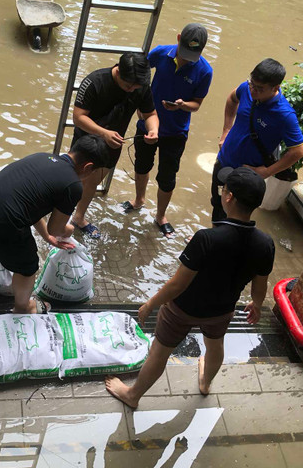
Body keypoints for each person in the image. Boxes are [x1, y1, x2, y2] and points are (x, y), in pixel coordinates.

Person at [105, 166, 274, 407]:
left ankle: (133, 396)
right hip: (222, 310)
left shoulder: (206, 238)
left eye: (224, 189)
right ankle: (205, 382)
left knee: (160, 351)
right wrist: (256, 304)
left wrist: (150, 304)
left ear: (229, 197)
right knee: (215, 346)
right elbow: (260, 284)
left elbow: (177, 285)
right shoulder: (265, 244)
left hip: (181, 310)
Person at [0, 135, 110, 314]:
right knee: (28, 267)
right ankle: (22, 307)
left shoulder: (42, 157)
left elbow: (28, 206)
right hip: (6, 222)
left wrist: (46, 237)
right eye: (94, 172)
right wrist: (68, 229)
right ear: (88, 167)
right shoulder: (73, 185)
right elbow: (56, 229)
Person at [121, 23, 213, 238]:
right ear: (178, 38)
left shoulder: (205, 71)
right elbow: (139, 76)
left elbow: (197, 104)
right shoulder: (161, 53)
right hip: (147, 123)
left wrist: (182, 105)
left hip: (176, 132)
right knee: (142, 165)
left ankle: (160, 215)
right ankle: (139, 200)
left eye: (192, 56)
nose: (187, 59)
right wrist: (140, 105)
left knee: (167, 176)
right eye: (184, 53)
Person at [70, 52, 159, 239]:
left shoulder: (140, 86)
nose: (131, 90)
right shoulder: (95, 82)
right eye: (128, 86)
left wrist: (153, 130)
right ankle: (60, 215)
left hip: (112, 143)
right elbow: (78, 117)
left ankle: (78, 217)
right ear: (118, 72)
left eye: (136, 87)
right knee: (74, 180)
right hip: (86, 142)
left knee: (93, 182)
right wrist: (103, 133)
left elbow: (150, 114)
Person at [211, 58, 303, 222]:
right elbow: (232, 99)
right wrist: (226, 131)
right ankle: (214, 233)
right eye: (252, 84)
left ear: (275, 87)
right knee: (217, 204)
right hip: (224, 161)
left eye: (259, 89)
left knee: (236, 216)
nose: (253, 90)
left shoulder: (284, 115)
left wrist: (267, 172)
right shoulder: (246, 89)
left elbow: (298, 151)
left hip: (246, 176)